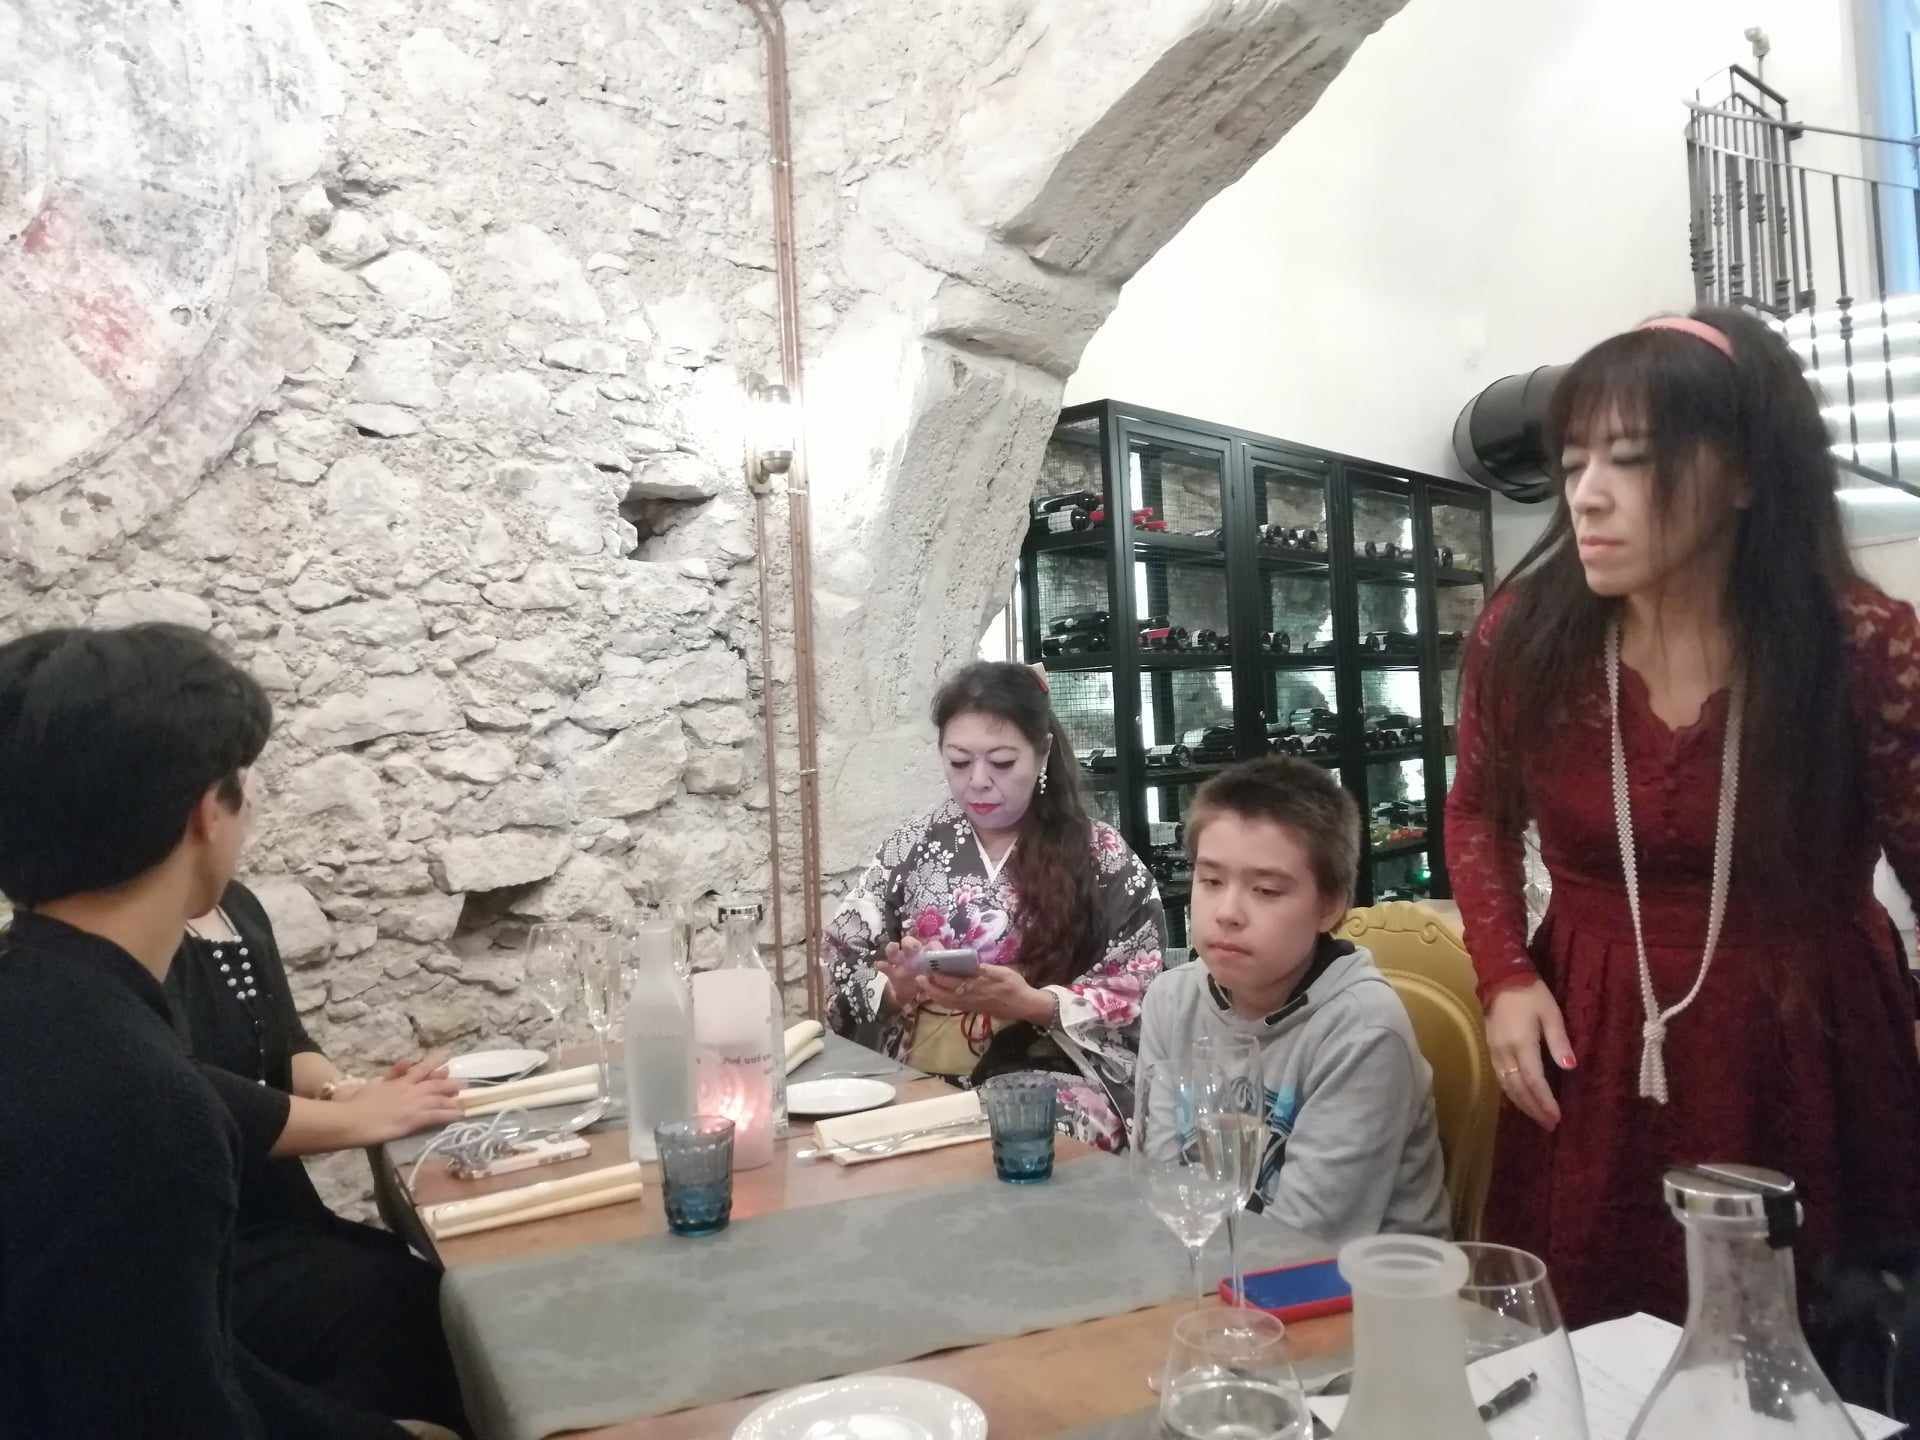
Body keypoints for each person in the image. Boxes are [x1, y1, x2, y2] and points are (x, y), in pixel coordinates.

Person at [1446, 306, 1920, 1326]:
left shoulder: (1859, 644)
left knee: (1809, 1340)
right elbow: (1478, 809)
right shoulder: (1526, 636)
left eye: (1631, 460)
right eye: (1574, 463)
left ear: (1743, 475)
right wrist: (1505, 975)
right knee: (1586, 1325)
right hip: (1592, 1026)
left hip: (1807, 1032)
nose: (1588, 494)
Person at [0, 623, 415, 1437]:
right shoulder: (139, 1097)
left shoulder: (43, 1005)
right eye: (242, 785)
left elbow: (188, 1362)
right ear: (204, 814)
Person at [168, 878, 469, 1431]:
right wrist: (360, 1121)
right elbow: (190, 1092)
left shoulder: (236, 904)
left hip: (285, 1213)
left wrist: (346, 1091)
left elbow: (287, 1045)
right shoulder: (147, 933)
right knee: (408, 1304)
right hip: (216, 1248)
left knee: (438, 1285)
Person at [825, 660, 1167, 1147]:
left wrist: (1033, 1004)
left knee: (1025, 1130)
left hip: (1047, 1076)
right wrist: (894, 989)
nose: (979, 781)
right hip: (919, 1076)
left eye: (1002, 763)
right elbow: (840, 957)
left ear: (1043, 753)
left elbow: (1140, 981)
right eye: (959, 762)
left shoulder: (1102, 855)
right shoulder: (911, 848)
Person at [1137, 757, 1448, 1242]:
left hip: (1350, 1281)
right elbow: (1161, 1187)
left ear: (1330, 906)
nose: (1227, 912)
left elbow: (1300, 1244)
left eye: (1265, 890)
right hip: (1211, 1266)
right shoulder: (1171, 999)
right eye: (1210, 881)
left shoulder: (1363, 1030)